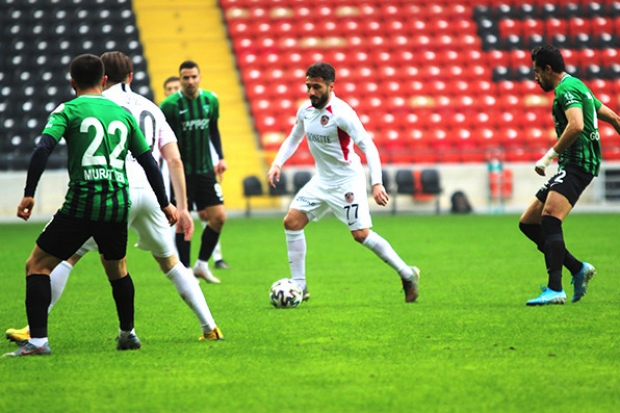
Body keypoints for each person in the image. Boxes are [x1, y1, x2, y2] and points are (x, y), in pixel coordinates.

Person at [5, 51, 224, 347]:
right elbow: (172, 159)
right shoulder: (150, 107)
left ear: (103, 77)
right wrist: (178, 206)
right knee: (171, 264)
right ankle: (209, 326)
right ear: (130, 77)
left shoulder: (96, 105)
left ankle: (35, 330)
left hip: (112, 190)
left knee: (66, 257)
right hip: (151, 192)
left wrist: (30, 192)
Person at [267, 62, 420, 303]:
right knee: (292, 222)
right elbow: (294, 137)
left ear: (331, 86)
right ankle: (300, 286)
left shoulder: (342, 113)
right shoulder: (305, 110)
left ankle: (407, 274)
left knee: (360, 234)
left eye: (317, 87)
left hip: (347, 182)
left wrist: (377, 183)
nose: (311, 92)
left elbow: (368, 146)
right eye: (308, 86)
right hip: (322, 181)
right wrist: (277, 163)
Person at [520, 44, 620, 306]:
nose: (535, 77)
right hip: (573, 165)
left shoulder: (566, 90)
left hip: (578, 164)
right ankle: (577, 268)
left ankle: (555, 289)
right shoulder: (579, 86)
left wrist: (548, 156)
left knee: (550, 219)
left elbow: (576, 125)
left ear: (548, 69)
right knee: (528, 223)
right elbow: (614, 117)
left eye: (536, 72)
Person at [160, 61, 227, 283]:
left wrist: (221, 157)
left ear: (200, 77)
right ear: (180, 79)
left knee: (218, 217)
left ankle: (202, 264)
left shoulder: (210, 100)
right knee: (183, 220)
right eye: (185, 77)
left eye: (193, 77)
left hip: (205, 170)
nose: (190, 81)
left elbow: (214, 130)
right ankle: (186, 269)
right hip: (182, 173)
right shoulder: (169, 106)